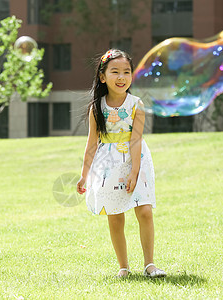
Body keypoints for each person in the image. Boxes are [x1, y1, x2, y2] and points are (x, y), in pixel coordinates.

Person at [76, 49, 166, 278]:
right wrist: (84, 175)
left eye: (127, 72)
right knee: (115, 215)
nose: (122, 77)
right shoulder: (97, 108)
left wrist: (135, 172)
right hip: (108, 165)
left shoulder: (137, 105)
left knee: (144, 210)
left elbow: (136, 140)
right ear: (102, 76)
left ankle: (150, 265)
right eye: (115, 72)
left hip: (137, 161)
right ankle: (123, 267)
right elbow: (91, 144)